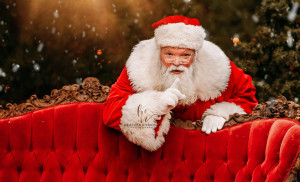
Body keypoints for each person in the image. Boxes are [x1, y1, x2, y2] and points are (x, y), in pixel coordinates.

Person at [103, 15, 258, 151]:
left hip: (202, 154)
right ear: (159, 52)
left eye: (185, 55)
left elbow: (247, 96)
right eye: (169, 54)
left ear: (195, 55)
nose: (177, 62)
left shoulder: (217, 65)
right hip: (152, 159)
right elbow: (110, 111)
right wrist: (154, 106)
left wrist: (223, 114)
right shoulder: (139, 66)